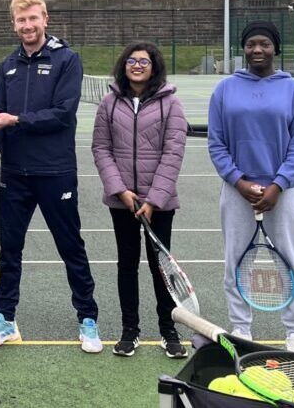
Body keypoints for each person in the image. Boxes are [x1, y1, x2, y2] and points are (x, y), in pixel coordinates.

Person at [0, 0, 101, 352]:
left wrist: (16, 120)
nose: (28, 26)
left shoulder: (67, 60)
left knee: (70, 246)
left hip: (55, 171)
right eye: (21, 21)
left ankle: (88, 319)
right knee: (10, 250)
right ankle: (4, 319)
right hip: (15, 174)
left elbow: (63, 114)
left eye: (33, 19)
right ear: (13, 24)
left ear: (45, 19)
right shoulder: (8, 65)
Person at [208, 20, 294, 354]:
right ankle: (241, 329)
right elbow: (216, 143)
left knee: (293, 261)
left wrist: (278, 185)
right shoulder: (225, 89)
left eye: (264, 44)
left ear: (275, 48)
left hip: (285, 192)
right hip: (237, 192)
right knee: (235, 262)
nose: (257, 50)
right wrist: (238, 181)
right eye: (251, 44)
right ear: (244, 48)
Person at [90, 41, 189, 359]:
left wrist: (153, 200)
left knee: (161, 268)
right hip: (122, 202)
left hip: (160, 204)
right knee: (127, 265)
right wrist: (122, 192)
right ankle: (129, 331)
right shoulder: (108, 102)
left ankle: (168, 330)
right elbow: (101, 149)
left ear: (153, 66)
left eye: (143, 61)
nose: (137, 66)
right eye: (132, 61)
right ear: (124, 65)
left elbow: (174, 153)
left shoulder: (171, 104)